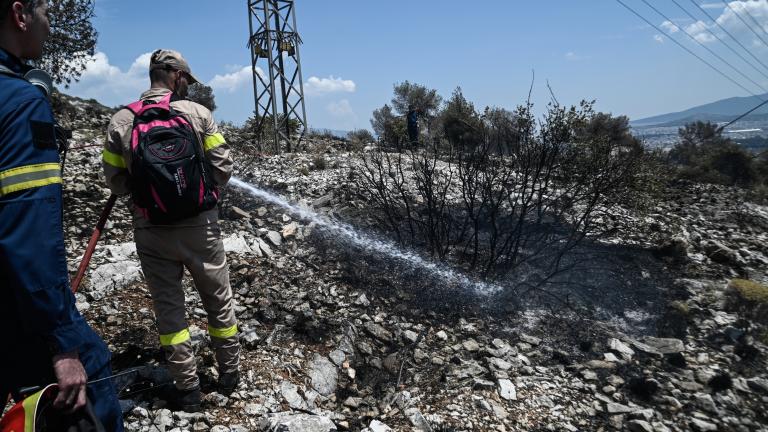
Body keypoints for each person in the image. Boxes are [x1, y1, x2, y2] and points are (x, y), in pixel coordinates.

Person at [0, 0, 123, 430]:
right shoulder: (20, 102)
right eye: (46, 14)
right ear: (20, 15)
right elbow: (28, 229)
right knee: (91, 382)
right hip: (16, 309)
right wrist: (62, 342)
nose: (49, 27)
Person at [103, 49, 239, 412]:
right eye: (185, 80)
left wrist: (148, 196)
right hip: (200, 226)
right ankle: (229, 375)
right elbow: (223, 167)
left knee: (170, 310)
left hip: (152, 229)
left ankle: (188, 389)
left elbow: (115, 182)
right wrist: (196, 191)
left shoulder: (121, 121)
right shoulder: (198, 114)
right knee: (218, 300)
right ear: (175, 75)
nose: (187, 86)